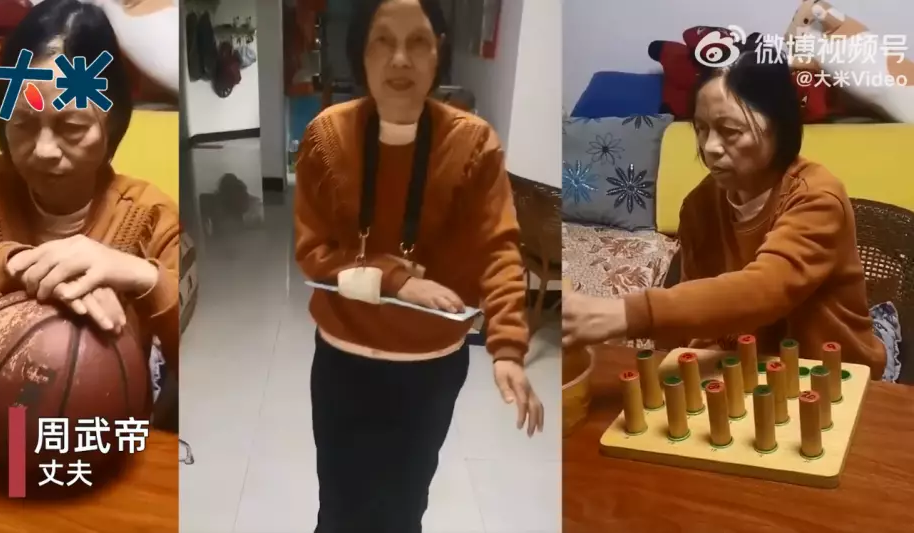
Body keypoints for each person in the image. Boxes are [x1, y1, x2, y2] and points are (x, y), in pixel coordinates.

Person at [293, 0, 544, 530]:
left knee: (405, 509)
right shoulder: (325, 136)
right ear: (360, 54)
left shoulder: (474, 143)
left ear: (439, 52)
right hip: (343, 358)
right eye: (383, 41)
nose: (400, 59)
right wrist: (398, 282)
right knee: (338, 508)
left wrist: (507, 347)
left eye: (418, 42)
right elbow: (314, 256)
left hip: (429, 366)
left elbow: (499, 249)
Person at [562, 44, 888, 379]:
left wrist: (628, 314)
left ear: (780, 126)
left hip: (834, 375)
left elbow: (767, 288)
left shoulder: (817, 197)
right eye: (701, 129)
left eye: (730, 131)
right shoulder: (700, 205)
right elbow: (694, 311)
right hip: (745, 370)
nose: (710, 147)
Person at [0, 0, 180, 376]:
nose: (44, 150)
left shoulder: (151, 217)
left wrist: (142, 276)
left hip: (101, 408)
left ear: (114, 122)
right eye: (23, 124)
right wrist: (9, 267)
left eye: (72, 128)